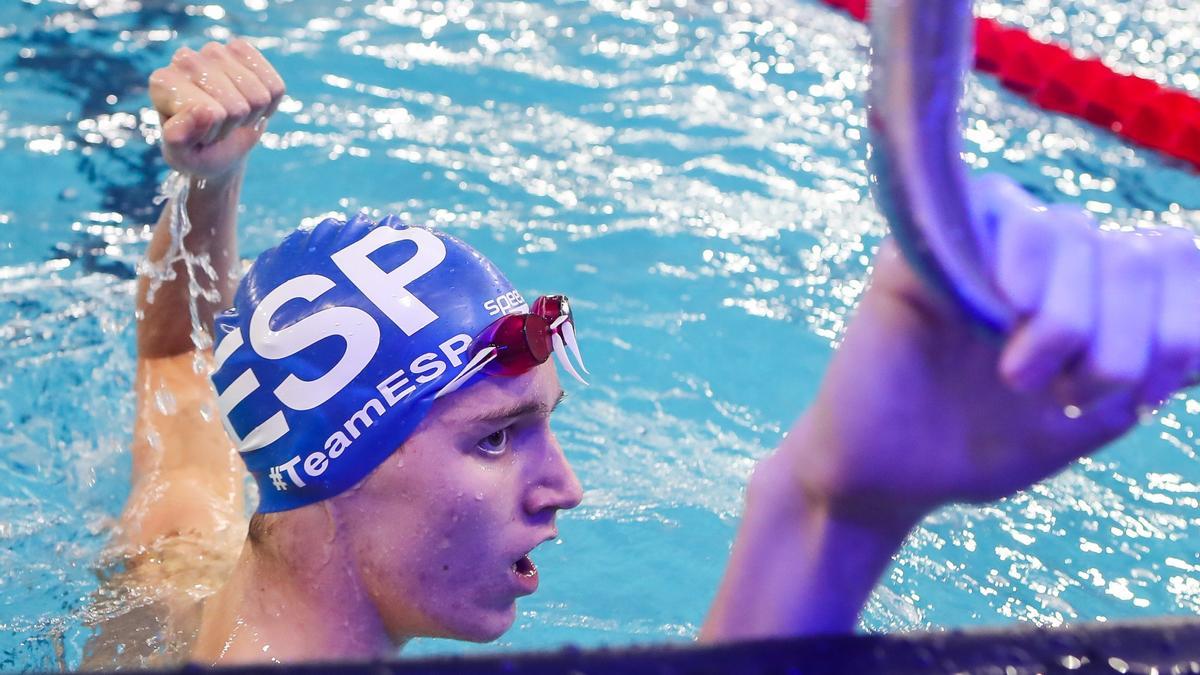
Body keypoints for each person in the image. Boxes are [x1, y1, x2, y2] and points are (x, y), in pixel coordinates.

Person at [91, 38, 1200, 666]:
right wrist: (829, 513)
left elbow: (181, 373)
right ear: (337, 473)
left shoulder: (179, 570)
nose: (565, 488)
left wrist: (207, 182)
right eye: (497, 441)